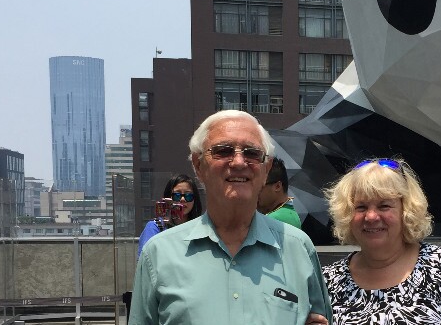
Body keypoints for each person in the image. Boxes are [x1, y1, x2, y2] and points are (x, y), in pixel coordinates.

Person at [129, 110, 332, 325]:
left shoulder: (299, 249)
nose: (238, 162)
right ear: (198, 166)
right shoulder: (159, 254)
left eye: (252, 153)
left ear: (267, 168)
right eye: (223, 151)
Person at [323, 158, 441, 325]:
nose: (370, 216)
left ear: (406, 210)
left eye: (384, 206)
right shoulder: (329, 282)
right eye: (360, 207)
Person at [137, 173, 203, 257]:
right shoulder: (155, 227)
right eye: (177, 195)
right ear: (168, 198)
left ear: (195, 200)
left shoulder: (200, 228)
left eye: (188, 196)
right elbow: (144, 262)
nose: (182, 199)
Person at [258, 156, 302, 229]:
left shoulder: (275, 219)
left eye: (259, 186)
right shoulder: (288, 214)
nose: (254, 192)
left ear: (278, 186)